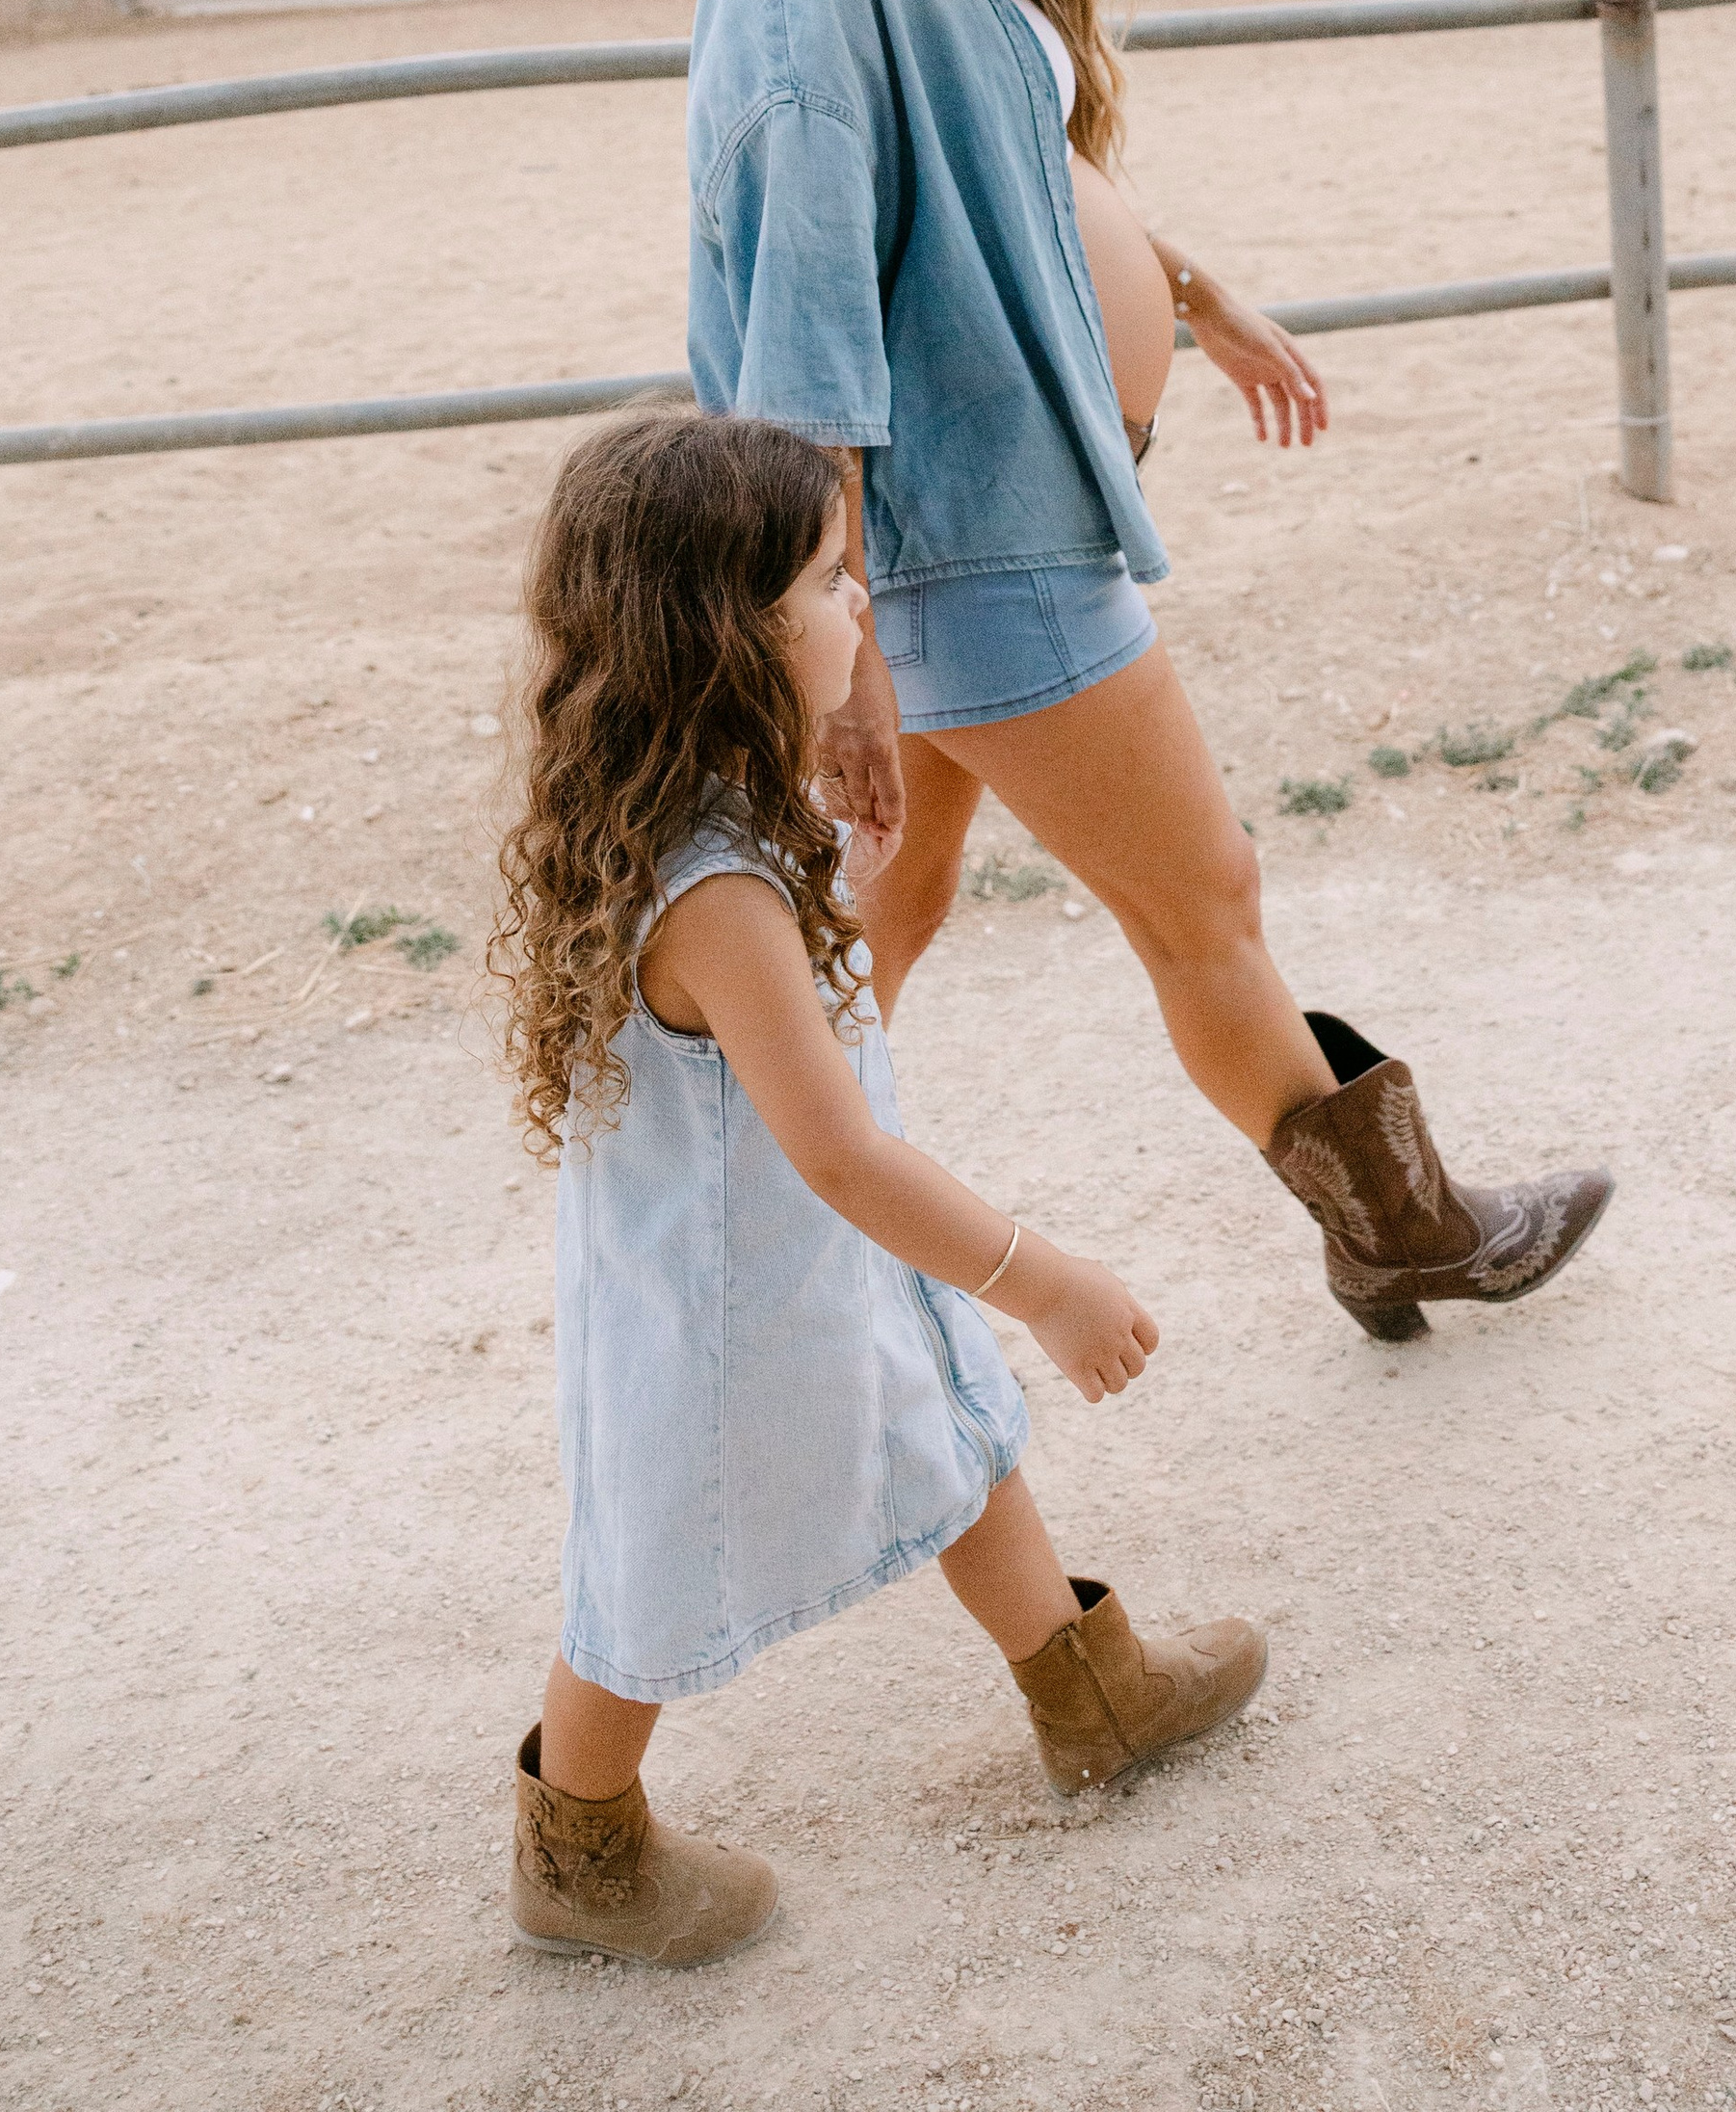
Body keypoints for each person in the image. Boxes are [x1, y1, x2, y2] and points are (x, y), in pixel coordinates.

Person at [685, 0, 1612, 1341]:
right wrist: (846, 640)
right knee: (1207, 895)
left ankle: (725, 1236)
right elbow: (802, 323)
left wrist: (1189, 285)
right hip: (973, 532)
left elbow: (1002, 177)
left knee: (900, 890)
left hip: (977, 516)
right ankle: (1402, 1229)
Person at [492, 403, 1266, 1968]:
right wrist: (1044, 1278)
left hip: (810, 1264)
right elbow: (836, 1148)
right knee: (654, 1570)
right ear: (731, 635)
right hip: (727, 1313)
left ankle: (1087, 1689)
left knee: (951, 1427)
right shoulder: (708, 893)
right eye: (832, 586)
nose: (861, 609)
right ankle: (577, 1847)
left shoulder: (692, 819)